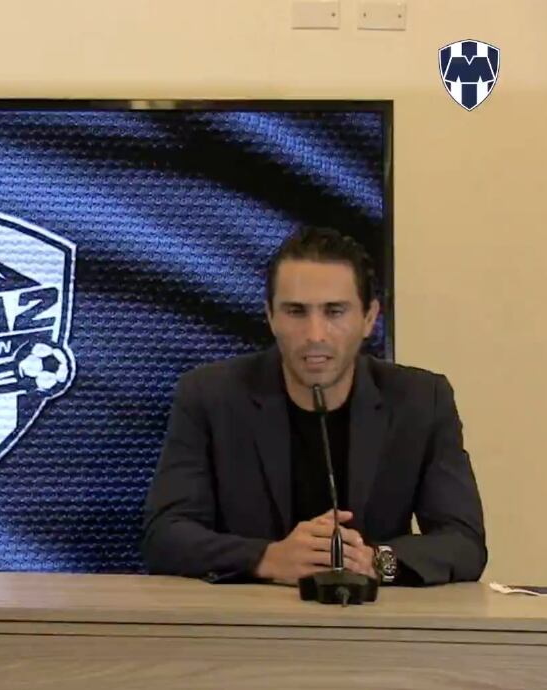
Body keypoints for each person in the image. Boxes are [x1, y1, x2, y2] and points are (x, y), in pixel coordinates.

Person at [142, 226, 485, 586]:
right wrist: (266, 558)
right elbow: (164, 535)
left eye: (334, 312)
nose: (315, 334)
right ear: (271, 316)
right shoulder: (210, 396)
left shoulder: (421, 400)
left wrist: (374, 561)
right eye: (296, 312)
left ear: (369, 318)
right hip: (248, 617)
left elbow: (464, 542)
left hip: (372, 618)